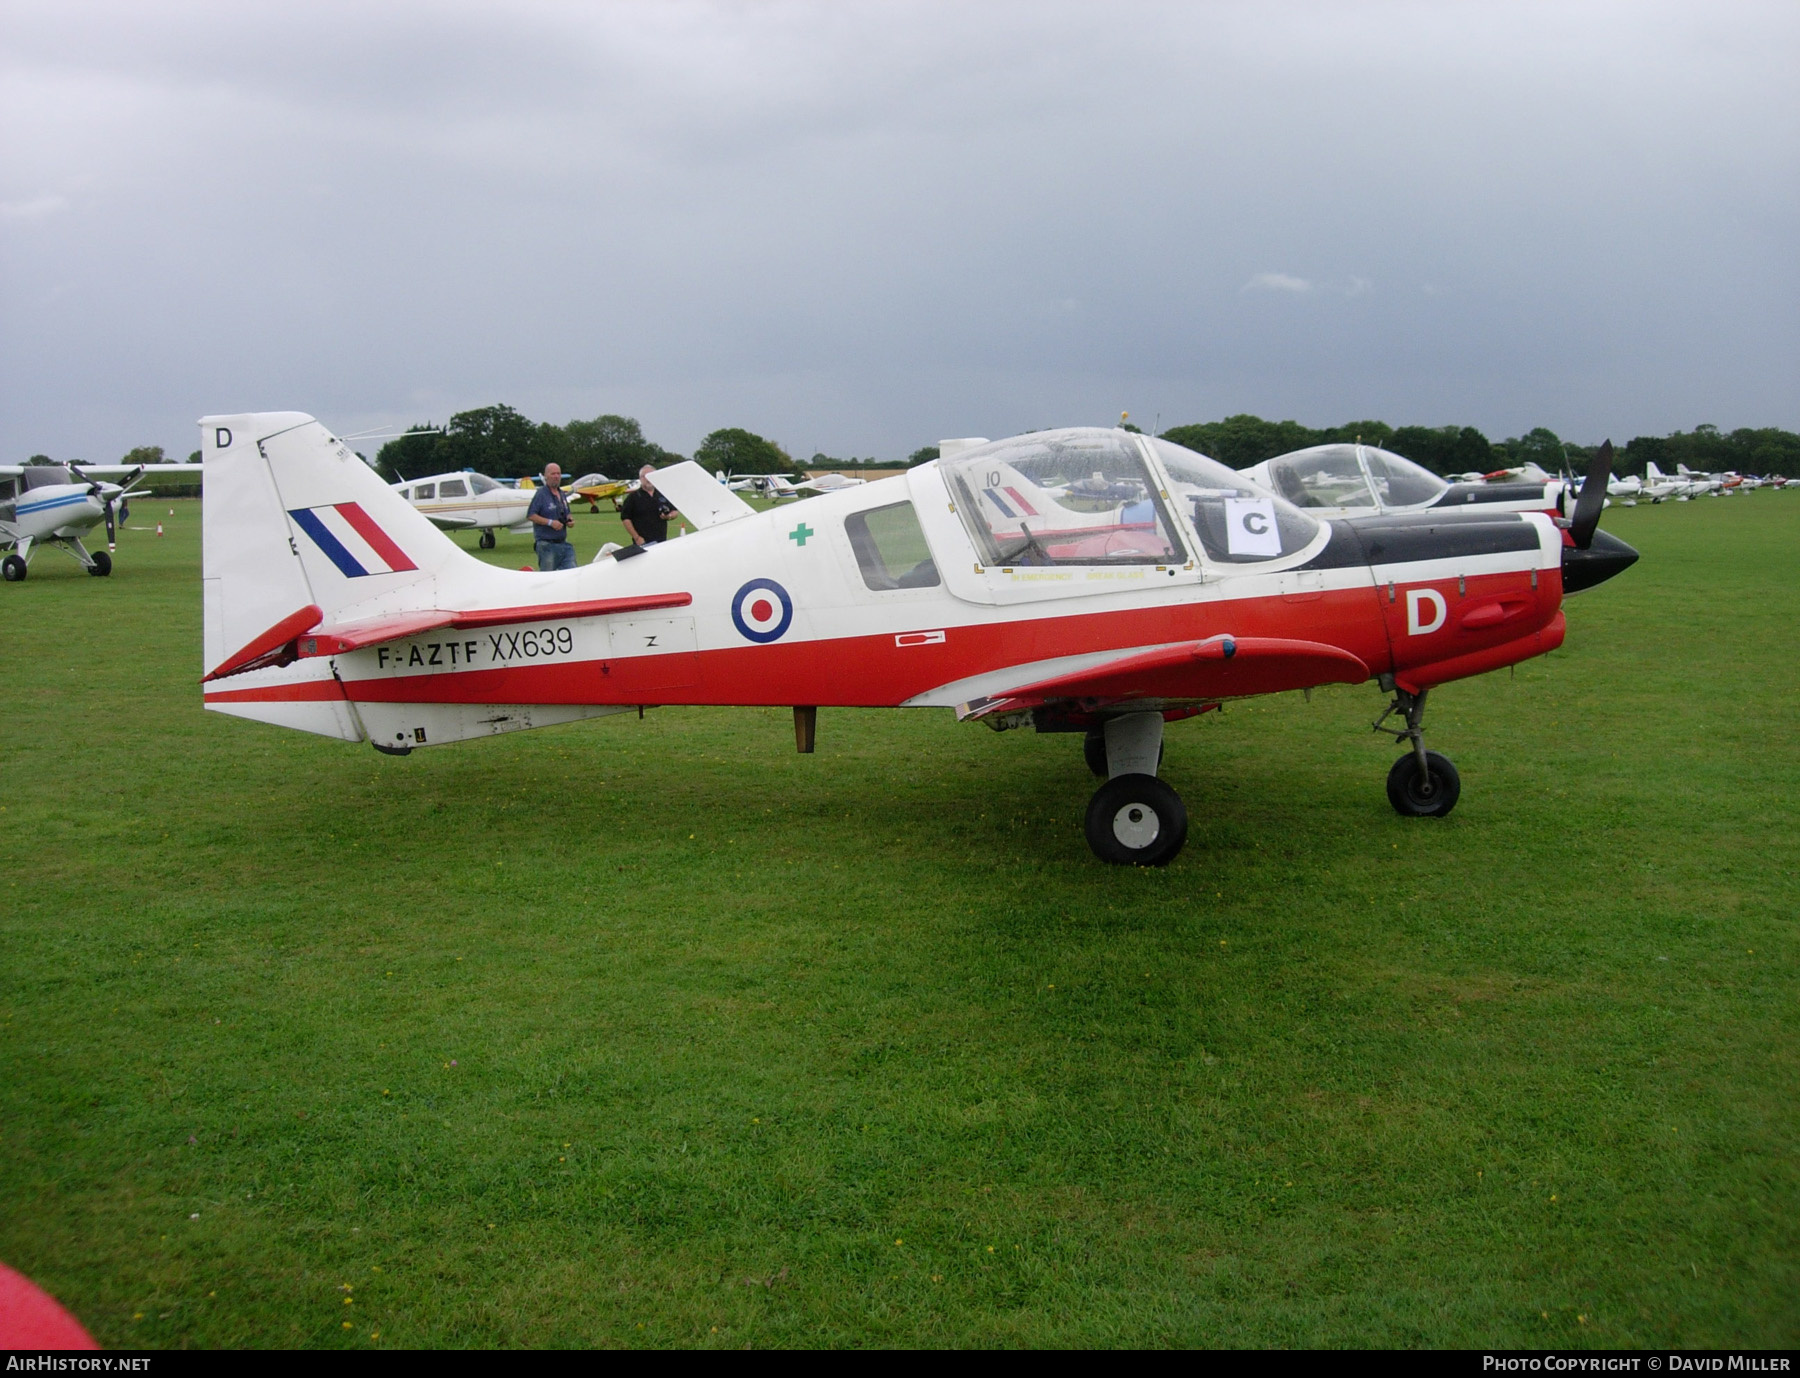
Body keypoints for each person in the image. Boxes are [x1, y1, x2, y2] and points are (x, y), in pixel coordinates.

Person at [528, 463, 576, 570]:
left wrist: (570, 520)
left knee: (572, 572)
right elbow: (531, 515)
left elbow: (567, 512)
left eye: (558, 474)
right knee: (548, 577)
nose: (556, 476)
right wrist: (550, 522)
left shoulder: (562, 494)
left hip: (563, 544)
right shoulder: (541, 494)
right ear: (546, 476)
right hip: (546, 545)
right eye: (553, 474)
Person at [620, 465, 679, 546]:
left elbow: (675, 511)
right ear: (640, 478)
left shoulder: (662, 494)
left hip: (662, 540)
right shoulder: (633, 497)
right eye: (645, 476)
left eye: (651, 476)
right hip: (643, 542)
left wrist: (669, 516)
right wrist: (637, 537)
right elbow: (625, 518)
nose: (648, 479)